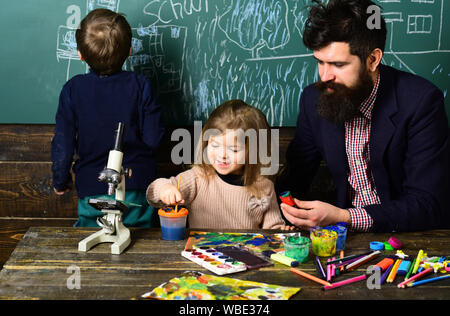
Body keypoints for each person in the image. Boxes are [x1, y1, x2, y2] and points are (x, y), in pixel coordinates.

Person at [276, 0, 449, 232]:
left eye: (338, 64)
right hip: (341, 237)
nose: (325, 75)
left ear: (373, 59)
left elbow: (428, 203)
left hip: (409, 235)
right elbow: (296, 176)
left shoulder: (422, 101)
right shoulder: (313, 99)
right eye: (320, 62)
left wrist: (345, 216)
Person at [51, 9, 164, 228]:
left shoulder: (73, 89)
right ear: (129, 51)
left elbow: (62, 144)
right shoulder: (141, 86)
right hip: (137, 190)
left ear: (81, 54)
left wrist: (60, 180)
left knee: (93, 246)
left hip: (91, 190)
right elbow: (153, 139)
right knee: (139, 244)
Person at [147, 100, 292, 230]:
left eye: (234, 149)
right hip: (202, 255)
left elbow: (272, 229)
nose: (222, 155)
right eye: (215, 145)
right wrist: (165, 189)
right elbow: (154, 192)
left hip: (246, 256)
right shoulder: (198, 177)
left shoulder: (264, 186)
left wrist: (281, 231)